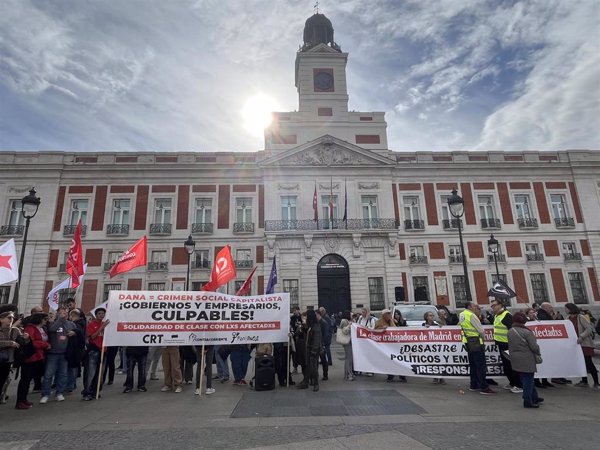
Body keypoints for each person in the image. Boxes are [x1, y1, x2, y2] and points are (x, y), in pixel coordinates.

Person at [40, 307, 76, 404]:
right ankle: (45, 394)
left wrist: (74, 333)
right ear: (57, 314)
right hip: (53, 353)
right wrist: (60, 319)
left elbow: (77, 333)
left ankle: (59, 392)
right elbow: (52, 329)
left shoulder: (71, 324)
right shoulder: (52, 323)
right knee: (48, 374)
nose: (64, 314)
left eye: (65, 313)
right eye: (61, 313)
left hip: (64, 353)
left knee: (63, 374)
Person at [508, 312, 544, 408]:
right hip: (526, 357)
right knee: (528, 379)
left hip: (515, 357)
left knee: (526, 378)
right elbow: (534, 347)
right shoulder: (527, 332)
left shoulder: (511, 331)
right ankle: (527, 400)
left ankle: (534, 397)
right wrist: (538, 353)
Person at [459, 302, 496, 395]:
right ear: (469, 307)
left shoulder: (462, 314)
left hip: (467, 341)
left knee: (473, 364)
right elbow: (480, 330)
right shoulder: (472, 315)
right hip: (476, 341)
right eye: (474, 306)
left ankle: (474, 384)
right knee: (480, 365)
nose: (476, 307)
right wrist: (483, 339)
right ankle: (484, 387)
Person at [16, 313, 49, 409]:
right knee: (25, 380)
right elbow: (32, 342)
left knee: (29, 379)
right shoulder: (30, 328)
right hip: (30, 357)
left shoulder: (41, 328)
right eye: (44, 319)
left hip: (39, 356)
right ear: (39, 319)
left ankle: (24, 399)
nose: (46, 321)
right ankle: (20, 400)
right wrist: (45, 345)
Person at [490, 299, 522, 393]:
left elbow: (513, 330)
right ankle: (512, 383)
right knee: (506, 366)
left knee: (512, 366)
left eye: (494, 305)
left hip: (508, 345)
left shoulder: (506, 315)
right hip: (501, 344)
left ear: (500, 305)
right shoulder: (497, 315)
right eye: (492, 306)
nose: (493, 307)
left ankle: (519, 385)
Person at [565, 303, 599, 389]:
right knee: (581, 363)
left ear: (570, 309)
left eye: (566, 308)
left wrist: (582, 336)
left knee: (588, 362)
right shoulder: (568, 319)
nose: (565, 310)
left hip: (584, 344)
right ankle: (584, 381)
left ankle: (596, 382)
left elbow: (589, 328)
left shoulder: (580, 317)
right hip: (575, 344)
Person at [82, 307, 109, 401]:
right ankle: (87, 392)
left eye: (103, 314)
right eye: (99, 314)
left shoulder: (105, 324)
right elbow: (92, 336)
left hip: (103, 350)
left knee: (100, 373)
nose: (101, 315)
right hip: (94, 350)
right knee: (91, 373)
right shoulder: (91, 324)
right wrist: (101, 328)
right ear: (96, 315)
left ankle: (95, 391)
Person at [1, 311, 24, 406]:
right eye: (8, 317)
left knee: (5, 380)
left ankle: (2, 396)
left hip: (8, 359)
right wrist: (10, 343)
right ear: (1, 319)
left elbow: (22, 342)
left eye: (12, 318)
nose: (11, 320)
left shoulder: (15, 330)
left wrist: (25, 338)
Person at [297, 309, 322, 392]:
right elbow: (308, 333)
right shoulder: (311, 325)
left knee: (314, 368)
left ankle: (316, 384)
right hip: (309, 349)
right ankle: (306, 382)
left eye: (307, 315)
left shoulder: (316, 326)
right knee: (308, 367)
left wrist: (314, 351)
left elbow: (316, 340)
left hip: (313, 350)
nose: (306, 317)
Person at [376, 309, 400, 383]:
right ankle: (390, 375)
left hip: (393, 344)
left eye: (390, 314)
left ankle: (401, 375)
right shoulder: (379, 322)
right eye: (388, 314)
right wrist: (381, 329)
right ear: (384, 315)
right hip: (384, 345)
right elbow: (374, 331)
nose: (389, 315)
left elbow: (396, 330)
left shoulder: (392, 321)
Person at [65, 309, 86, 392]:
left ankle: (70, 385)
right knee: (74, 367)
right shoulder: (82, 322)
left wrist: (73, 332)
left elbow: (75, 333)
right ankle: (72, 384)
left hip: (74, 348)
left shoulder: (77, 324)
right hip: (77, 348)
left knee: (71, 368)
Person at [423, 311, 446, 385]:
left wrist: (441, 327)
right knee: (433, 362)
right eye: (430, 315)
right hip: (429, 347)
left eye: (432, 315)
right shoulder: (423, 325)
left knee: (440, 362)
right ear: (426, 317)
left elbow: (445, 330)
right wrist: (425, 328)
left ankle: (441, 378)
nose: (432, 317)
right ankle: (435, 377)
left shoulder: (436, 324)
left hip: (437, 346)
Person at [356, 307, 375, 377]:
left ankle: (370, 370)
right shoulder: (360, 318)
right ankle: (360, 369)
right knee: (361, 355)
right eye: (362, 312)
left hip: (368, 341)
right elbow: (357, 326)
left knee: (369, 356)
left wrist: (367, 328)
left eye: (364, 312)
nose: (362, 313)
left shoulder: (371, 319)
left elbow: (373, 328)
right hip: (361, 340)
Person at [339, 310, 354, 381]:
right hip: (347, 342)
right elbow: (345, 331)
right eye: (351, 314)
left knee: (348, 358)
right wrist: (350, 325)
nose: (352, 315)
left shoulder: (347, 320)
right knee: (349, 358)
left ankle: (347, 374)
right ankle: (349, 374)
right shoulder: (344, 321)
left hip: (348, 342)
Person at [316, 308, 330, 381]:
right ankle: (316, 374)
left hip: (321, 345)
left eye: (316, 314)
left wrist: (323, 343)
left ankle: (325, 375)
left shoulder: (323, 322)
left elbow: (326, 334)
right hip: (317, 344)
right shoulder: (317, 322)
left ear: (318, 314)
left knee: (324, 361)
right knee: (316, 361)